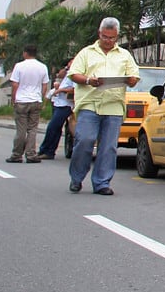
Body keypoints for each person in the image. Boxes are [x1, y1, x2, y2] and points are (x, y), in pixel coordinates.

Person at [68, 17, 140, 195]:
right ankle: (76, 178)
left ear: (117, 37)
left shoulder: (124, 55)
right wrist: (88, 80)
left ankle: (102, 182)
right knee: (84, 140)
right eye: (105, 37)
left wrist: (132, 80)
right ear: (99, 34)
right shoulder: (86, 52)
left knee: (108, 147)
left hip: (113, 105)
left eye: (112, 38)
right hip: (89, 104)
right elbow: (73, 74)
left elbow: (134, 76)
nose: (108, 41)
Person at [6, 45, 49, 163]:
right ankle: (31, 154)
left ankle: (16, 155)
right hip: (35, 100)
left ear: (25, 53)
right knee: (32, 129)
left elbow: (15, 84)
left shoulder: (19, 66)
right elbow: (44, 85)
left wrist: (14, 99)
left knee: (21, 129)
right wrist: (41, 97)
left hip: (21, 100)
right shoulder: (42, 67)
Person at [37, 60, 75, 159]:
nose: (70, 64)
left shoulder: (76, 74)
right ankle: (49, 151)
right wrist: (67, 68)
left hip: (66, 104)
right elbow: (60, 75)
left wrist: (60, 90)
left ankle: (46, 150)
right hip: (59, 103)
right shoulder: (69, 72)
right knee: (56, 129)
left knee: (52, 127)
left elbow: (74, 90)